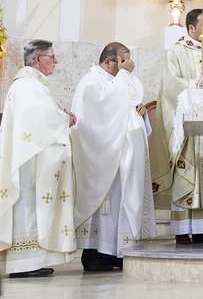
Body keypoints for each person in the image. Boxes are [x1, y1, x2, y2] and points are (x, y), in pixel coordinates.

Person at [71, 42, 156, 271]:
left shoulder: (120, 79)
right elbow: (104, 108)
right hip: (104, 157)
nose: (130, 65)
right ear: (109, 62)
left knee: (124, 200)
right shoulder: (91, 81)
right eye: (124, 61)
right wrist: (125, 76)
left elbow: (128, 104)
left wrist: (141, 111)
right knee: (107, 205)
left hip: (125, 155)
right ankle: (95, 255)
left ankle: (117, 251)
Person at [155, 9, 203, 244]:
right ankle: (183, 230)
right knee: (187, 174)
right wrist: (198, 83)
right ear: (191, 27)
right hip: (189, 127)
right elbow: (170, 86)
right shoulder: (177, 52)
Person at [0, 40, 76, 278]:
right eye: (51, 57)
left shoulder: (32, 84)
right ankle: (22, 264)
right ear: (36, 59)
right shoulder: (27, 86)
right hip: (27, 161)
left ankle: (30, 262)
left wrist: (60, 116)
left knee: (32, 207)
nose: (56, 61)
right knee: (27, 207)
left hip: (31, 156)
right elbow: (40, 117)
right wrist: (64, 119)